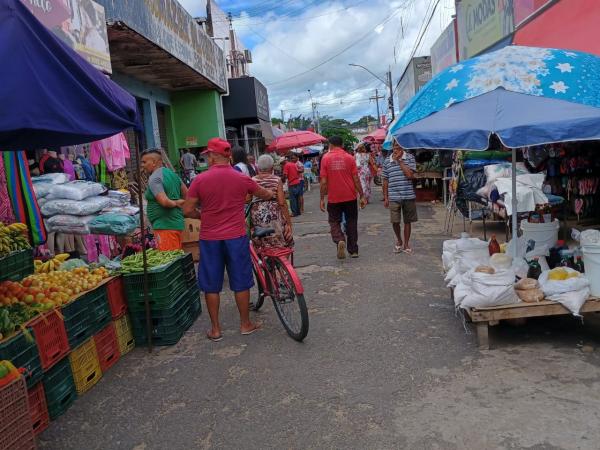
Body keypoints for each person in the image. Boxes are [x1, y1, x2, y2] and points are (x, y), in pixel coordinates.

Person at [183, 138, 276, 342]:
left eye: (207, 155)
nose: (206, 158)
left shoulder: (200, 180)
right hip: (235, 236)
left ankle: (216, 329)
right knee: (241, 281)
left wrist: (203, 215)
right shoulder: (240, 177)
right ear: (228, 156)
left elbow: (187, 209)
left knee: (211, 285)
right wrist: (270, 193)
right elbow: (263, 193)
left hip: (210, 238)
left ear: (214, 156)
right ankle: (245, 324)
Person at [320, 136, 366, 259]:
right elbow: (356, 179)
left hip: (334, 198)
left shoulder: (325, 158)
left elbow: (324, 182)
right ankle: (353, 250)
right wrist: (361, 195)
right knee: (351, 222)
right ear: (342, 144)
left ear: (330, 145)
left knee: (334, 222)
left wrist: (321, 199)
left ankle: (339, 239)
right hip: (350, 196)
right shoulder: (349, 158)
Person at [141, 148, 187, 251]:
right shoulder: (172, 174)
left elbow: (164, 202)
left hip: (165, 227)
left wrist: (176, 202)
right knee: (176, 258)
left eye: (144, 162)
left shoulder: (154, 178)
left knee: (170, 262)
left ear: (153, 162)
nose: (142, 165)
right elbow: (187, 194)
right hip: (176, 224)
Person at [250, 154, 294, 250]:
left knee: (261, 238)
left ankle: (264, 260)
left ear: (258, 167)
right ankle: (281, 261)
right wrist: (288, 223)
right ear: (272, 167)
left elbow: (247, 199)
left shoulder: (252, 180)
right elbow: (282, 202)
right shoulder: (276, 179)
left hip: (257, 212)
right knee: (281, 239)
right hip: (273, 212)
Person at [382, 139, 418, 254]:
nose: (396, 149)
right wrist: (386, 197)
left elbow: (410, 175)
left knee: (408, 221)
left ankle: (406, 243)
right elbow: (385, 180)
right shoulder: (387, 161)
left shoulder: (410, 158)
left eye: (398, 146)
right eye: (394, 146)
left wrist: (400, 161)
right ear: (392, 147)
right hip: (393, 196)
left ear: (403, 147)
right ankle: (399, 240)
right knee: (395, 221)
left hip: (408, 195)